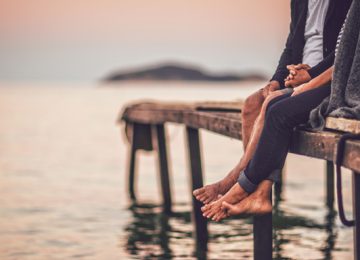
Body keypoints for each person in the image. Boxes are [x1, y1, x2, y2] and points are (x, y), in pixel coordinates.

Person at [193, 0, 351, 205]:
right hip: (297, 76)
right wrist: (276, 81)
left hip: (326, 79)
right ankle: (257, 191)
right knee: (251, 104)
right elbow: (292, 45)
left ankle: (236, 181)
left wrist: (310, 74)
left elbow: (346, 50)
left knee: (273, 105)